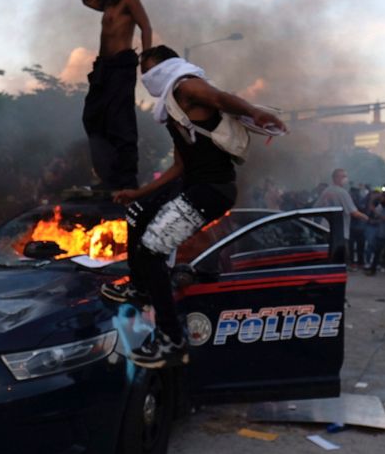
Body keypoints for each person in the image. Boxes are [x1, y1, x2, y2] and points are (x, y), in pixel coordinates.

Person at [100, 45, 286, 368]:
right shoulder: (173, 108)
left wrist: (254, 112)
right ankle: (140, 287)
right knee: (137, 213)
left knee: (153, 249)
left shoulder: (185, 85)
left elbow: (220, 98)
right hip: (192, 184)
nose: (145, 78)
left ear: (165, 66)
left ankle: (171, 339)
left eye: (148, 70)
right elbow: (179, 166)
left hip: (212, 191)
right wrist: (138, 193)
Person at [78, 0, 152, 190]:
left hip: (121, 66)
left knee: (120, 121)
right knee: (93, 117)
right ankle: (108, 176)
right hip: (103, 68)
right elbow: (87, 0)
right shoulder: (107, 2)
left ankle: (126, 180)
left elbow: (146, 27)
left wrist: (146, 58)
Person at [312, 169, 369, 258]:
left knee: (329, 256)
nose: (345, 179)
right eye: (343, 176)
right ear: (336, 178)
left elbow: (316, 208)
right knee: (341, 258)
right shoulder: (342, 192)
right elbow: (353, 212)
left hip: (325, 229)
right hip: (340, 232)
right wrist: (367, 218)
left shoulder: (327, 190)